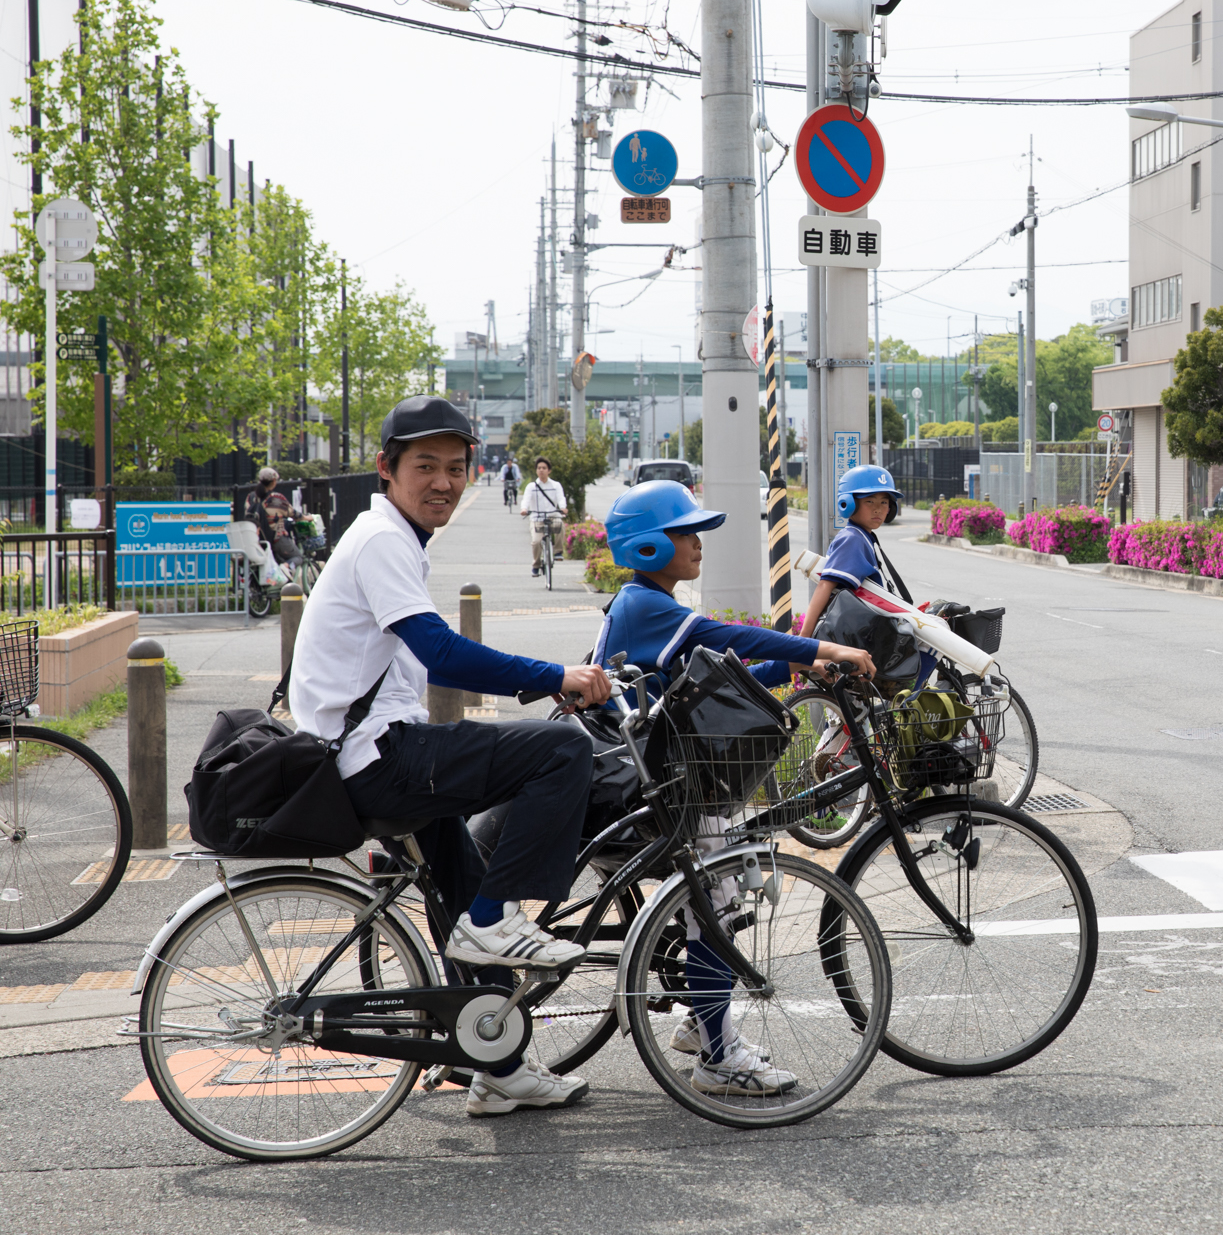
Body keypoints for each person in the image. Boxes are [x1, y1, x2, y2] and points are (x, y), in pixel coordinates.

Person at [287, 396, 613, 1118]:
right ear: (387, 468)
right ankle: (496, 918)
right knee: (560, 748)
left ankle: (497, 1066)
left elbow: (416, 663)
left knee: (463, 898)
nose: (442, 481)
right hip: (379, 759)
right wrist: (554, 676)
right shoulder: (380, 540)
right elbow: (441, 652)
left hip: (368, 751)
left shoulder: (393, 536)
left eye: (456, 468)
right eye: (425, 466)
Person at [595, 479, 876, 1096]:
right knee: (716, 905)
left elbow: (731, 671)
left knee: (717, 900)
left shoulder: (646, 604)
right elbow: (734, 638)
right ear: (647, 546)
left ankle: (704, 1021)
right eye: (684, 533)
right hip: (666, 789)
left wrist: (802, 664)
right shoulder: (649, 607)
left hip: (666, 779)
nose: (697, 544)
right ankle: (719, 1057)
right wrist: (824, 645)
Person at [797, 464, 908, 638]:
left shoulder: (862, 536)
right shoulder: (853, 539)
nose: (878, 509)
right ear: (848, 503)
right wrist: (803, 640)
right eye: (869, 501)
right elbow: (826, 585)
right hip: (849, 637)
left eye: (884, 502)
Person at [520, 457, 565, 575]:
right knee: (536, 542)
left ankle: (558, 552)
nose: (541, 470)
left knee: (560, 525)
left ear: (549, 471)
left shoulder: (556, 485)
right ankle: (536, 565)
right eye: (539, 468)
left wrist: (563, 508)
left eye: (544, 468)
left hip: (553, 516)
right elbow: (526, 500)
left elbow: (561, 499)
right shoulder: (531, 487)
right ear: (536, 470)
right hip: (536, 518)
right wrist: (524, 509)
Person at [254, 467, 302, 571]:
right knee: (298, 557)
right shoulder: (275, 498)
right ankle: (285, 567)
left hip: (257, 540)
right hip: (276, 540)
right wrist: (308, 517)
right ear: (274, 481)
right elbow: (293, 514)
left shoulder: (253, 497)